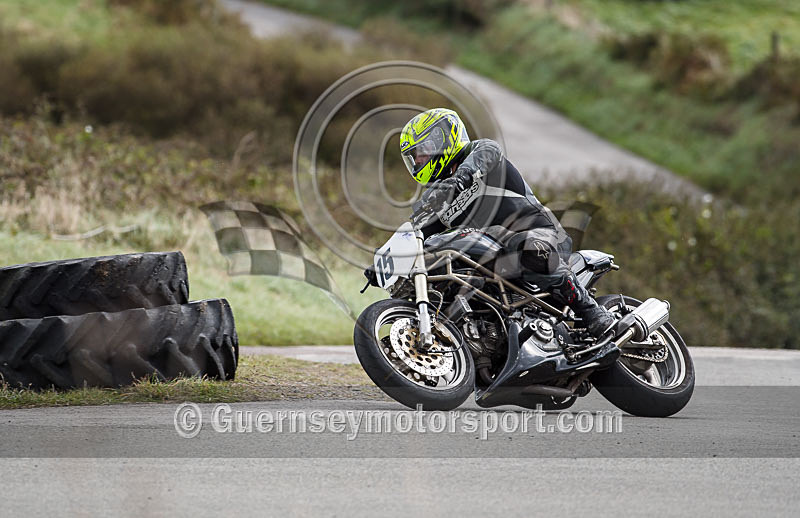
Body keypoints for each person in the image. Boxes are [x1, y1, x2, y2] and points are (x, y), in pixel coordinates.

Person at [398, 107, 614, 337]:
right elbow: (418, 235)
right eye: (414, 157)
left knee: (526, 247)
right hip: (494, 260)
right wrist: (390, 260)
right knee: (444, 269)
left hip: (541, 235)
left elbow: (490, 151)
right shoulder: (437, 198)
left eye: (421, 151)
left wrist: (460, 178)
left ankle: (592, 311)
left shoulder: (480, 154)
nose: (418, 160)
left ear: (443, 139)